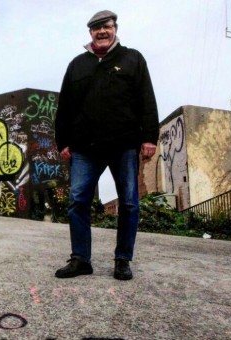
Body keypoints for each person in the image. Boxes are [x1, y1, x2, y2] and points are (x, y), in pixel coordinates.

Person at [54, 10, 159, 280]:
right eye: (96, 28)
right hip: (85, 147)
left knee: (129, 203)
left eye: (107, 26)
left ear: (115, 29)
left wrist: (149, 137)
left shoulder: (132, 59)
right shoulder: (77, 64)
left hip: (123, 144)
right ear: (90, 33)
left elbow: (146, 99)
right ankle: (81, 259)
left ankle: (122, 260)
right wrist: (63, 141)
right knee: (78, 201)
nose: (102, 31)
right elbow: (65, 106)